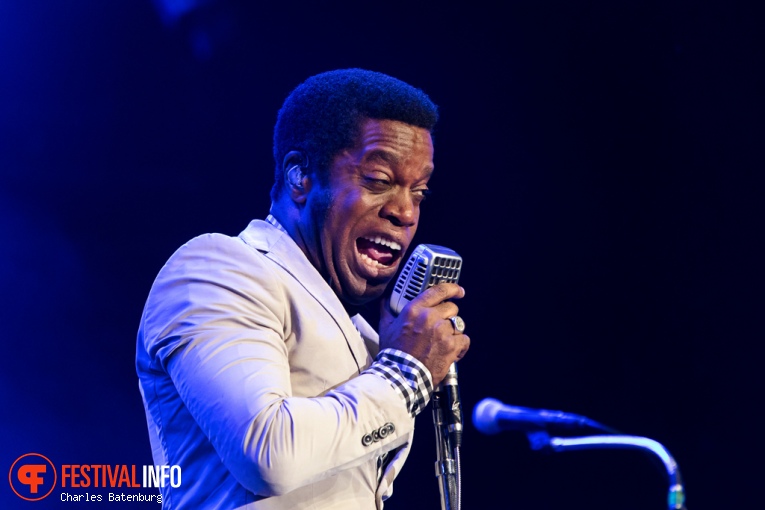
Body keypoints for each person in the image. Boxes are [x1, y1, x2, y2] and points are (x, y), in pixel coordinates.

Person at [136, 68, 470, 509]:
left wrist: (392, 356)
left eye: (420, 191)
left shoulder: (360, 336)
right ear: (301, 177)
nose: (405, 212)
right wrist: (406, 372)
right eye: (378, 180)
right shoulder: (217, 267)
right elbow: (270, 456)